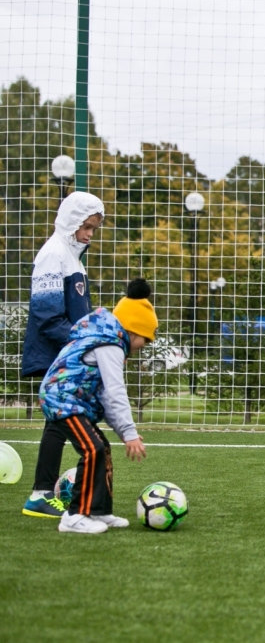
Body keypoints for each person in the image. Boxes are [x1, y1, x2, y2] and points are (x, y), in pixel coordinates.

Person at [40, 278, 155, 534]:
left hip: (72, 401)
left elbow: (105, 397)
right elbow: (116, 392)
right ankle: (74, 516)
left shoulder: (106, 338)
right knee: (92, 449)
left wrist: (124, 432)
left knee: (101, 448)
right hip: (62, 400)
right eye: (145, 340)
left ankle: (98, 510)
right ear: (133, 331)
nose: (144, 347)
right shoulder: (111, 344)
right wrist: (130, 432)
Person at [21, 191, 105, 519]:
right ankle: (42, 493)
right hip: (55, 353)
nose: (89, 234)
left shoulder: (72, 258)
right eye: (86, 226)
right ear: (71, 221)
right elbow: (47, 317)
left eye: (94, 229)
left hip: (66, 353)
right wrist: (84, 344)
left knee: (57, 422)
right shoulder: (52, 254)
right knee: (62, 420)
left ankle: (42, 492)